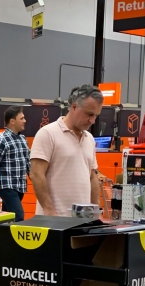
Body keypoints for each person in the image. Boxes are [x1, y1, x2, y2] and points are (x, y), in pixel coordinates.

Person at [30, 84, 103, 217]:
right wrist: (49, 211)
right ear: (74, 107)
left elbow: (92, 177)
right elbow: (36, 174)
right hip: (55, 220)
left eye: (96, 115)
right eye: (89, 114)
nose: (92, 120)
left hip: (83, 221)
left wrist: (96, 212)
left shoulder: (89, 139)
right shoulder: (48, 133)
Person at [0, 106, 30, 221]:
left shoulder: (23, 139)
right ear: (12, 121)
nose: (25, 121)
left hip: (19, 186)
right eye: (22, 118)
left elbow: (28, 163)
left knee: (7, 217)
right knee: (18, 216)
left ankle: (1, 237)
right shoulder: (1, 139)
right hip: (7, 186)